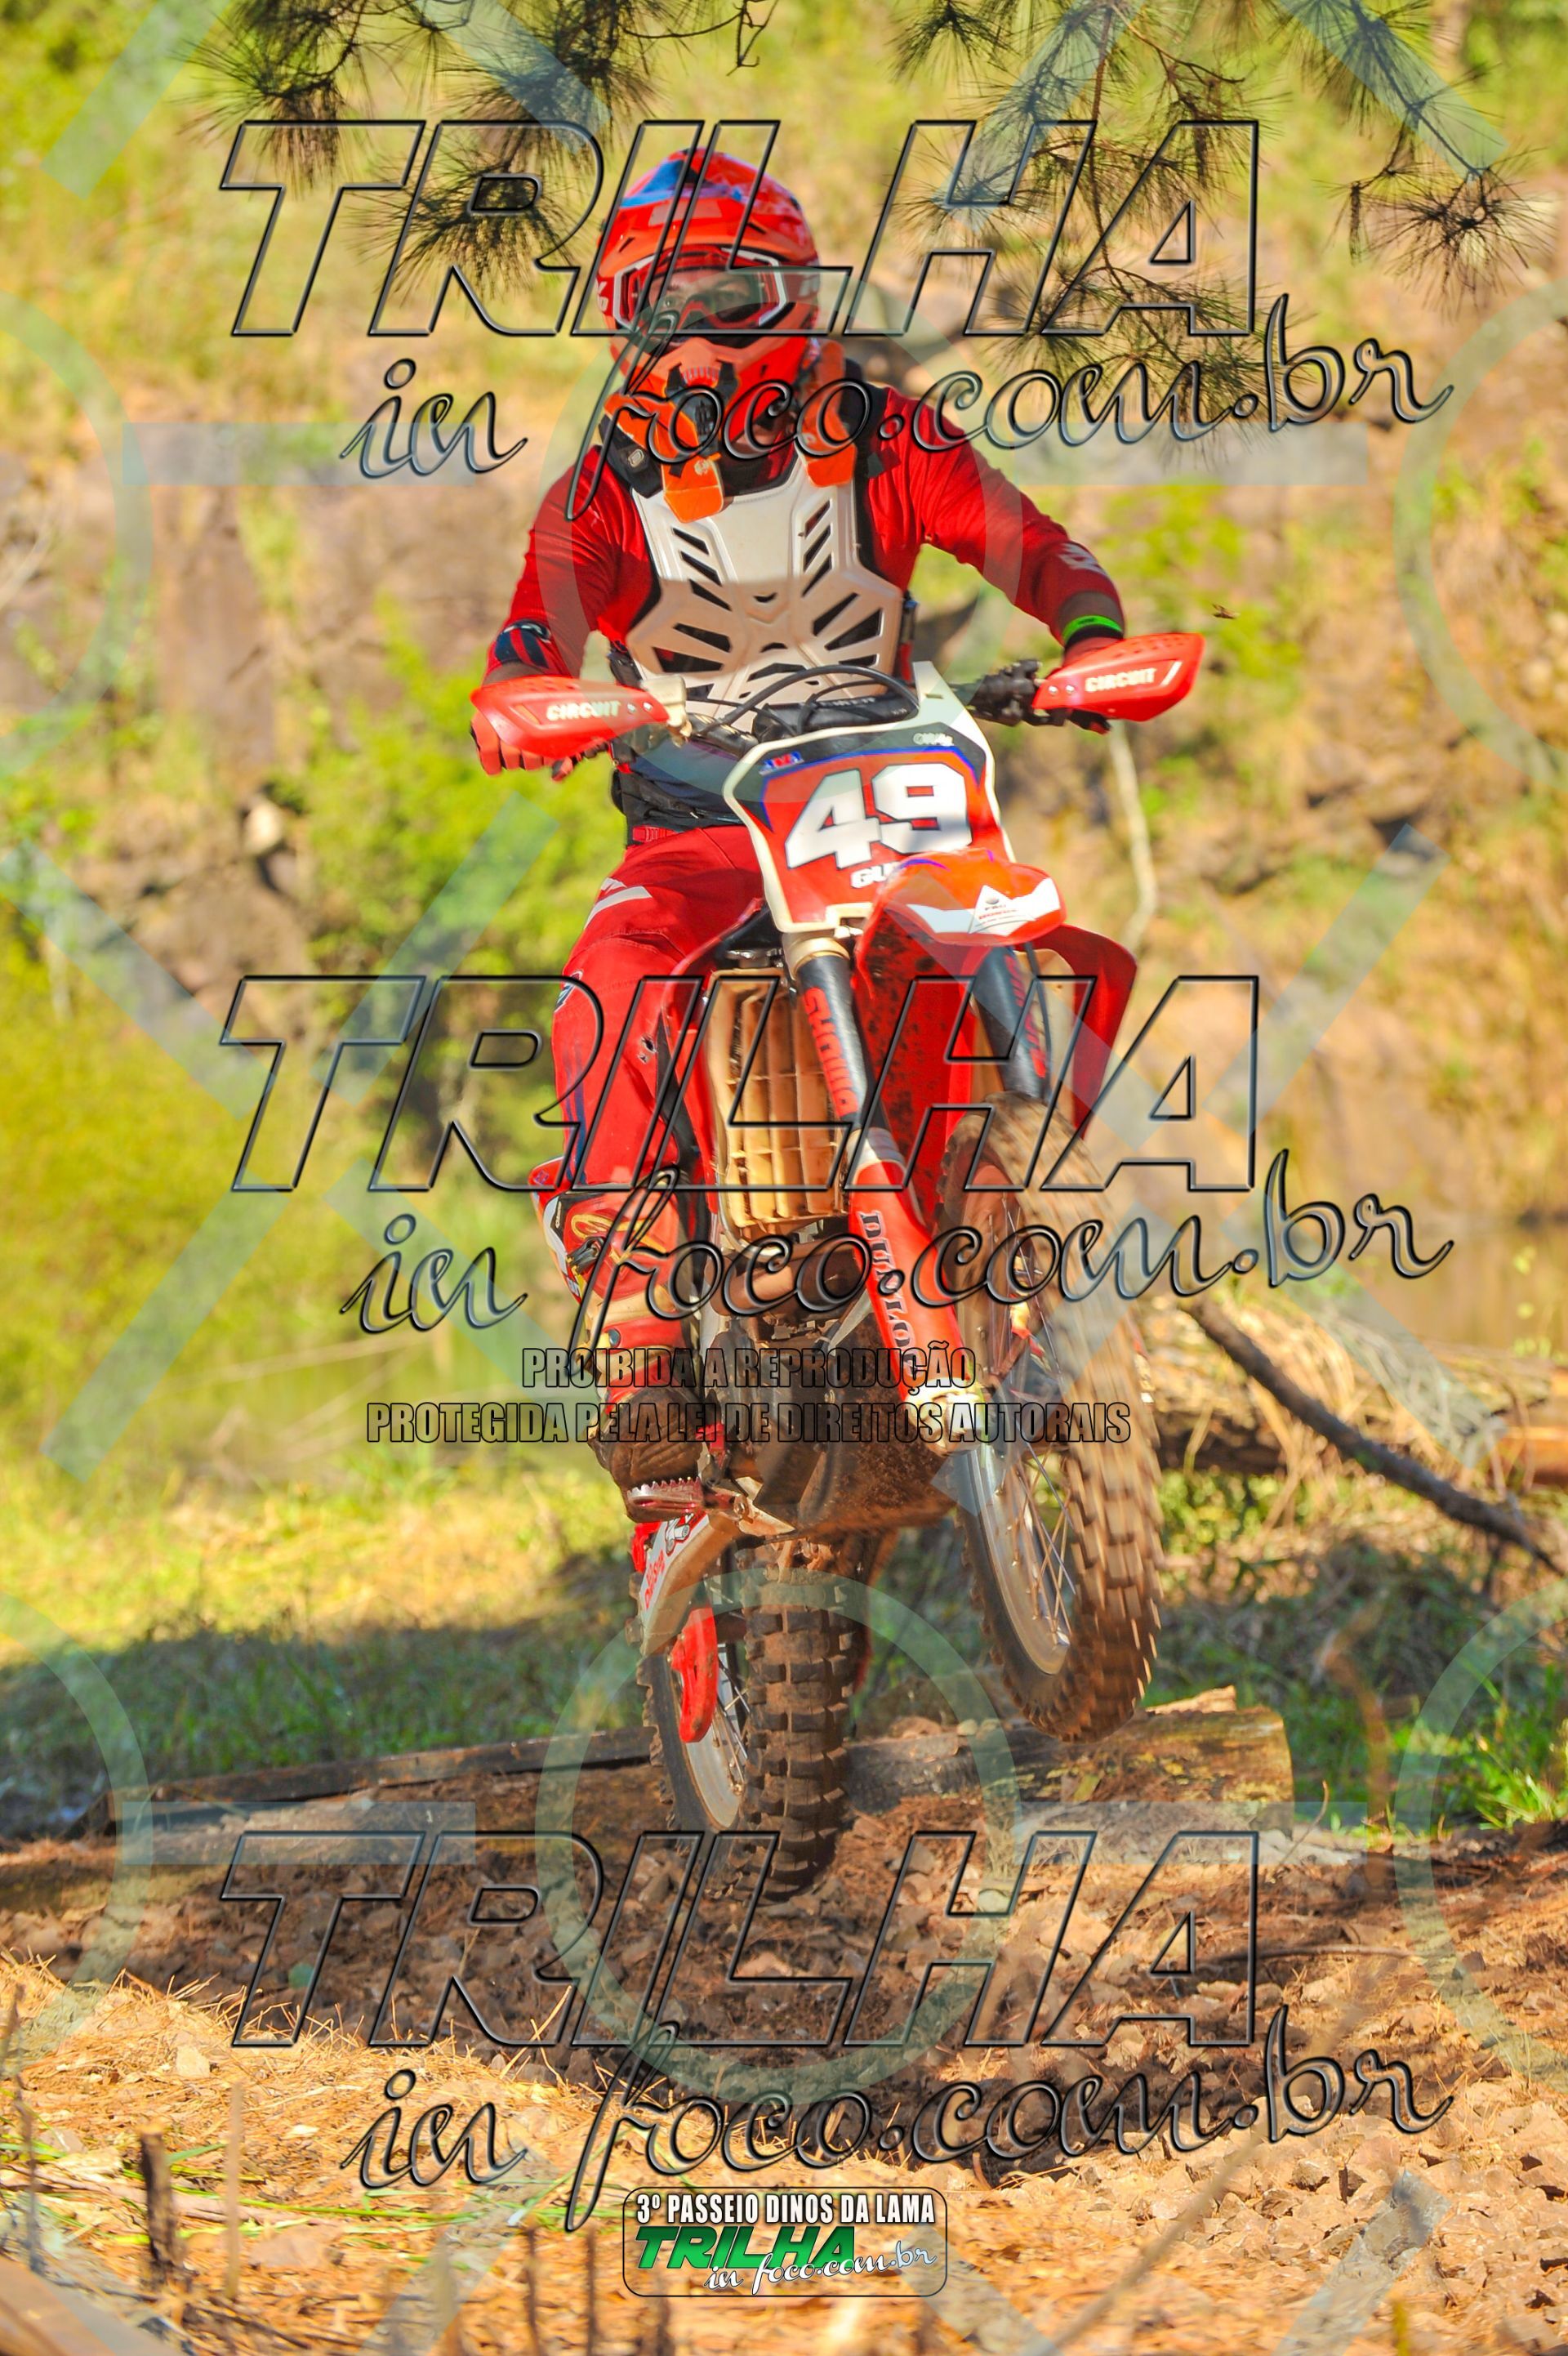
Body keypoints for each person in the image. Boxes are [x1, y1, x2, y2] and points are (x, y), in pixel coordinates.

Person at [470, 145, 1127, 1509]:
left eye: (730, 298)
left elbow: (1030, 544)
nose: (698, 341)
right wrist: (527, 696)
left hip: (883, 799)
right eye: (660, 308)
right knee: (611, 986)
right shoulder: (600, 491)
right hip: (701, 833)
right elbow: (536, 629)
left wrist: (1089, 637)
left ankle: (1010, 1182)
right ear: (621, 324)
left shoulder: (895, 439)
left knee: (1016, 926)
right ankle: (644, 1346)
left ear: (797, 296)